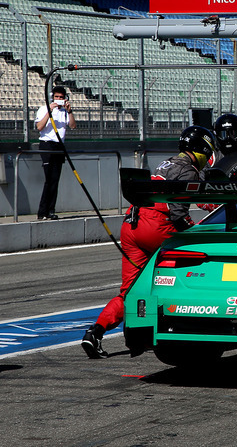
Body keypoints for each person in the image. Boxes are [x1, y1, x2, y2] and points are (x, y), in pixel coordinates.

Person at [81, 126, 215, 358]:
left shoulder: (167, 163)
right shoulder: (189, 171)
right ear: (202, 149)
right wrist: (196, 237)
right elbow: (179, 214)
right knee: (193, 268)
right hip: (156, 226)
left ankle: (95, 332)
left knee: (129, 290)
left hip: (132, 224)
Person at [35, 86, 76, 220]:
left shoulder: (64, 112)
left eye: (61, 97)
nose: (58, 100)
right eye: (56, 97)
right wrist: (49, 111)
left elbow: (73, 126)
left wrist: (69, 112)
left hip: (59, 145)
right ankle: (42, 212)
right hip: (47, 144)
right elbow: (39, 127)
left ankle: (51, 210)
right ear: (53, 97)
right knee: (49, 179)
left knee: (55, 179)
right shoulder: (44, 109)